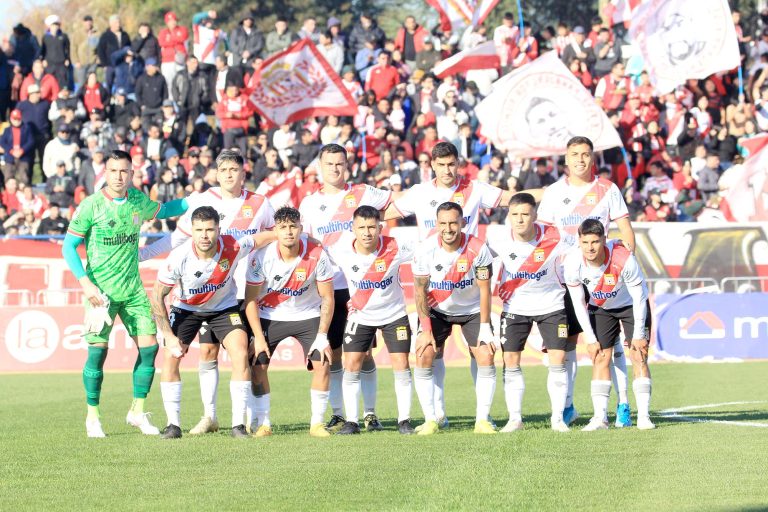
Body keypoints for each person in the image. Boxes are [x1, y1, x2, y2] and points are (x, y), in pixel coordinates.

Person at [140, 149, 275, 435]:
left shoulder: (260, 206)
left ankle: (244, 421)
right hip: (193, 301)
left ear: (243, 172)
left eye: (234, 169)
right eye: (223, 169)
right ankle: (200, 418)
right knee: (199, 353)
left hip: (236, 293)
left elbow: (269, 236)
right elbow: (174, 238)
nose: (228, 174)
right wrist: (144, 254)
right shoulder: (201, 204)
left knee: (244, 353)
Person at [61, 149, 189, 437]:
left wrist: (195, 200)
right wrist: (86, 284)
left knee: (150, 348)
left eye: (124, 171)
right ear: (105, 173)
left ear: (132, 174)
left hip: (133, 291)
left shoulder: (136, 201)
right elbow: (67, 247)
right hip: (100, 294)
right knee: (98, 353)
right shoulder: (91, 206)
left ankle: (137, 411)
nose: (119, 176)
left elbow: (165, 210)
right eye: (114, 171)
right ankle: (92, 415)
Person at [537, 135, 635, 427]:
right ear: (565, 159)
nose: (580, 159)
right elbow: (543, 238)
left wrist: (622, 268)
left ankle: (623, 405)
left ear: (593, 158)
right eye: (575, 154)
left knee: (611, 346)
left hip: (603, 282)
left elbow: (626, 233)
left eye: (586, 154)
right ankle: (567, 406)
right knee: (567, 344)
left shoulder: (608, 189)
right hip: (566, 282)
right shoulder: (554, 193)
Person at [298, 144, 394, 432]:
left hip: (359, 285)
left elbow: (393, 207)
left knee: (363, 353)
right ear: (319, 167)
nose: (334, 169)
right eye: (329, 164)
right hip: (328, 288)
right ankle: (340, 413)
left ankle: (370, 413)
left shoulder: (364, 193)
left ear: (347, 165)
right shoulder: (309, 204)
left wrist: (381, 246)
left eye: (339, 163)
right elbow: (305, 243)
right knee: (335, 352)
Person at [324, 206, 416, 434]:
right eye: (362, 227)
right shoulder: (339, 250)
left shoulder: (396, 246)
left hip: (394, 315)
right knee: (352, 363)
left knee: (401, 364)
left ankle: (404, 420)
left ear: (380, 228)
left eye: (372, 227)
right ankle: (352, 421)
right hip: (361, 316)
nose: (367, 233)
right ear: (353, 229)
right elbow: (315, 259)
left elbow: (428, 253)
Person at [244, 206, 335, 438]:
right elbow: (251, 301)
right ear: (275, 230)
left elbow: (327, 297)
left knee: (323, 362)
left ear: (301, 229)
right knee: (257, 364)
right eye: (283, 227)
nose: (288, 232)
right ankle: (263, 423)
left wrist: (323, 336)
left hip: (308, 315)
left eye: (293, 227)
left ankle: (317, 424)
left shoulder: (317, 254)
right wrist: (259, 338)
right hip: (270, 315)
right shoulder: (261, 257)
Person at [490, 193, 572, 432]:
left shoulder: (555, 236)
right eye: (514, 214)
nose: (520, 219)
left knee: (558, 359)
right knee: (510, 360)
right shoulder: (499, 239)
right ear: (509, 216)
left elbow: (582, 249)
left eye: (525, 214)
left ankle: (557, 419)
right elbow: (478, 260)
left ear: (535, 215)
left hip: (552, 306)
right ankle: (515, 419)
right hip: (515, 307)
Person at [411, 202, 495, 434]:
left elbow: (485, 289)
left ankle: (482, 420)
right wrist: (426, 330)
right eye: (443, 223)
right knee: (425, 353)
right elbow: (419, 291)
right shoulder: (425, 249)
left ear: (463, 223)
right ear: (436, 224)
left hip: (472, 310)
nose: (448, 228)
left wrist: (486, 327)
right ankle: (432, 419)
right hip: (437, 310)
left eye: (453, 223)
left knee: (485, 355)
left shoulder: (479, 249)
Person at [564, 219, 654, 430]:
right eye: (585, 242)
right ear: (579, 241)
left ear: (604, 239)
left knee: (638, 355)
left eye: (595, 242)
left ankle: (643, 416)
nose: (590, 248)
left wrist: (639, 334)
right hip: (601, 308)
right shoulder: (572, 263)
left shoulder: (623, 258)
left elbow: (640, 298)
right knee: (600, 357)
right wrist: (590, 338)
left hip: (630, 305)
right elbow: (578, 303)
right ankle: (600, 418)